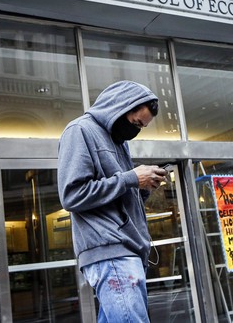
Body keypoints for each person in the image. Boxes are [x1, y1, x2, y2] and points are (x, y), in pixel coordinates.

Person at [57, 80, 167, 323]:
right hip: (110, 251)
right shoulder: (80, 131)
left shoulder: (119, 143)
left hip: (128, 250)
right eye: (136, 123)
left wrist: (144, 186)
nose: (136, 130)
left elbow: (119, 193)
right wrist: (131, 178)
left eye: (142, 127)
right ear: (121, 107)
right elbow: (72, 194)